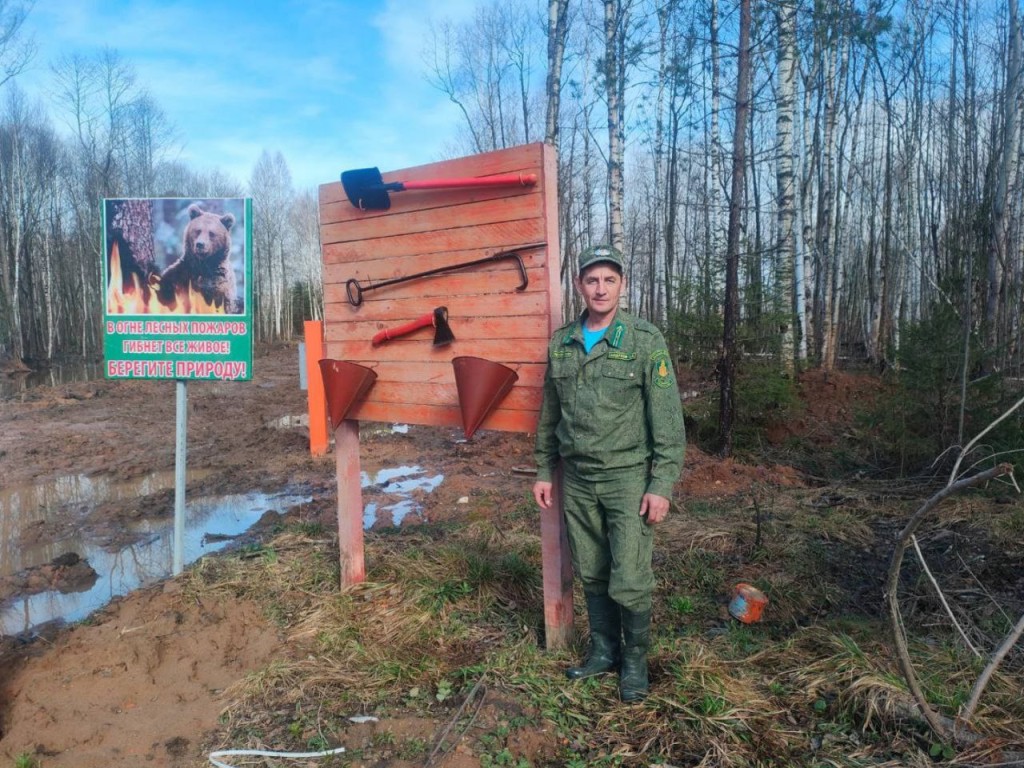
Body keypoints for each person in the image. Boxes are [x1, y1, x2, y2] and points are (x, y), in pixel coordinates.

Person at [533, 243, 686, 703]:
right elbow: (549, 413)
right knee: (594, 572)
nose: (600, 288)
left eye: (610, 280)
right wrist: (544, 468)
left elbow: (667, 418)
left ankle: (635, 663)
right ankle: (605, 651)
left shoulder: (643, 339)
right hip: (578, 479)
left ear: (622, 284)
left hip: (627, 478)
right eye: (592, 280)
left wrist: (661, 484)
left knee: (631, 576)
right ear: (579, 285)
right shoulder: (562, 342)